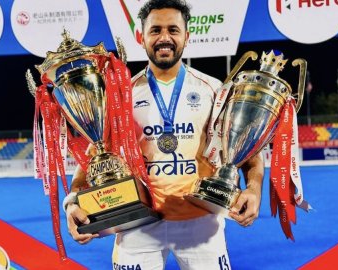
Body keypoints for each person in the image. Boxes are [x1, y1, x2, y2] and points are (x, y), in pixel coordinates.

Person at [64, 0, 264, 269]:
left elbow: (248, 154)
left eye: (173, 29)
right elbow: (91, 162)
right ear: (141, 37)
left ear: (187, 36)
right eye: (155, 30)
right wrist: (73, 203)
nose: (165, 38)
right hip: (138, 226)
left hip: (202, 225)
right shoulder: (119, 97)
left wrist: (253, 189)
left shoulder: (213, 90)